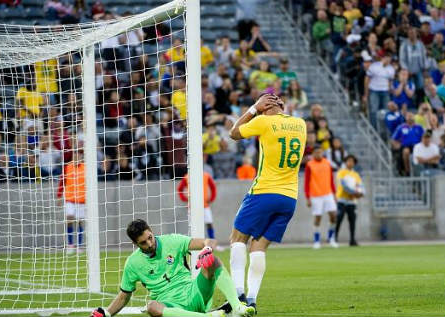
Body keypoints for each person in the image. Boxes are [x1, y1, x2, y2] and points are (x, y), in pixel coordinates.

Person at [226, 94, 306, 313]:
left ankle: (238, 295)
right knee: (258, 247)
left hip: (264, 192)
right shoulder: (300, 124)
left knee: (237, 239)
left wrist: (253, 109)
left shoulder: (263, 121)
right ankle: (251, 300)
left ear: (263, 109)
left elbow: (233, 133)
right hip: (289, 198)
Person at [89, 219, 254, 317]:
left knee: (213, 261)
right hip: (171, 306)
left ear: (151, 231)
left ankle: (237, 306)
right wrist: (107, 313)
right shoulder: (133, 264)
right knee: (151, 306)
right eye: (143, 243)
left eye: (150, 238)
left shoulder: (173, 240)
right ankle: (211, 316)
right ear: (135, 244)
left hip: (194, 293)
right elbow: (124, 296)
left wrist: (207, 249)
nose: (150, 243)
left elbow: (208, 241)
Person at [304, 145, 338, 249]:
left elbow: (331, 180)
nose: (319, 154)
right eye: (316, 152)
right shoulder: (309, 165)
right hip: (315, 195)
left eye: (320, 152)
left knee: (333, 215)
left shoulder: (327, 163)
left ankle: (331, 238)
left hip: (328, 193)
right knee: (318, 217)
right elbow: (306, 182)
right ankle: (316, 240)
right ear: (313, 154)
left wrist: (334, 193)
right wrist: (308, 197)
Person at [57, 145, 86, 254]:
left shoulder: (85, 167)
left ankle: (79, 245)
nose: (77, 155)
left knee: (79, 221)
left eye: (79, 153)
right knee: (69, 219)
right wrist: (59, 196)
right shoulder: (67, 167)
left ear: (81, 155)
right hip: (69, 198)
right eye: (75, 153)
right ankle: (70, 244)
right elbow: (62, 182)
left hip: (82, 199)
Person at [178, 170, 218, 240]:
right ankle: (194, 242)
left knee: (209, 223)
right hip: (192, 207)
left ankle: (212, 241)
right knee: (193, 225)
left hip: (204, 206)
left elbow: (213, 187)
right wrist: (185, 199)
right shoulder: (187, 177)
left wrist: (211, 198)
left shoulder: (206, 176)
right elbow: (180, 189)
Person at [335, 155, 364, 246]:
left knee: (352, 221)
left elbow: (361, 186)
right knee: (339, 218)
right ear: (345, 162)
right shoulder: (341, 172)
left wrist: (361, 193)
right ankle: (334, 238)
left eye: (352, 161)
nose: (350, 163)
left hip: (352, 201)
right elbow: (344, 185)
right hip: (342, 199)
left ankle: (352, 239)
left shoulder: (356, 175)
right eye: (348, 161)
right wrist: (354, 193)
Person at [363, 53, 395, 129]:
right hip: (374, 90)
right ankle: (373, 128)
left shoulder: (391, 69)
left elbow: (390, 81)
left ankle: (384, 129)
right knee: (374, 110)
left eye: (389, 58)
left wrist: (390, 90)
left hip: (385, 91)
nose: (387, 60)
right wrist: (366, 94)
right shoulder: (374, 66)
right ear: (382, 58)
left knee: (386, 111)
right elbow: (367, 79)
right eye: (386, 58)